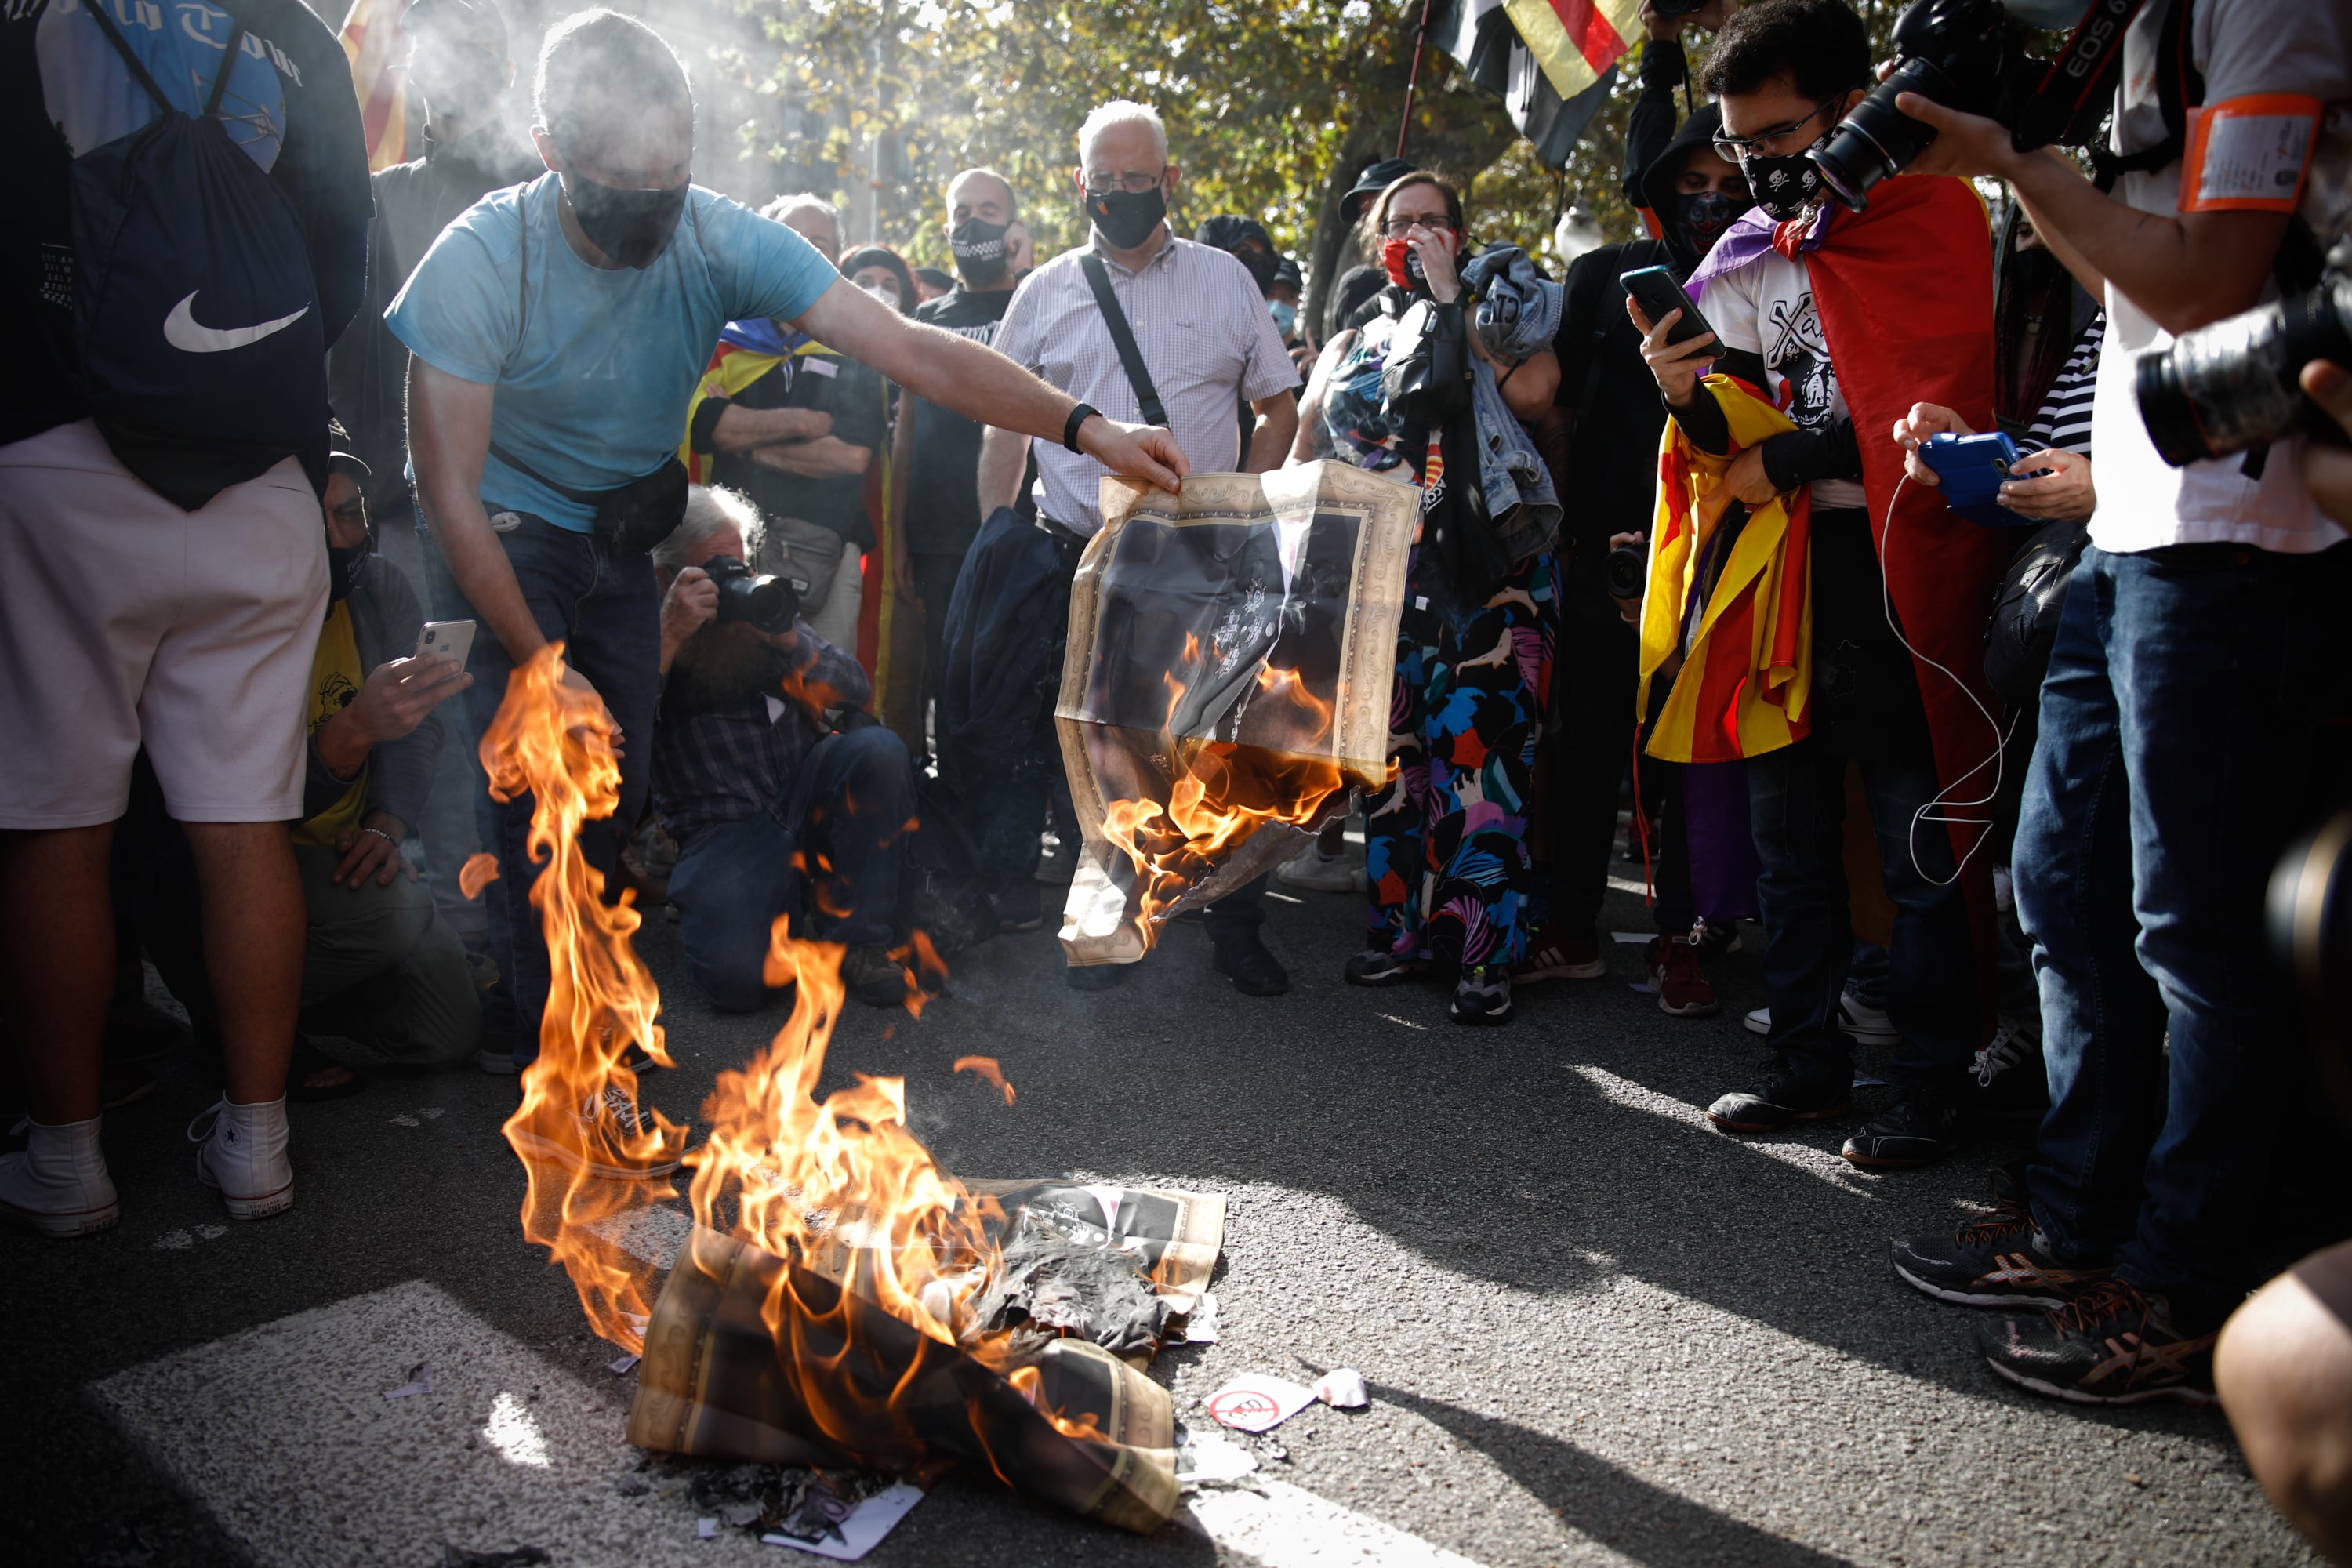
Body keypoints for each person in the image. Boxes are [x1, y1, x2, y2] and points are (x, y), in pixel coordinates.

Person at [393, 13, 1183, 1133]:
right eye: (621, 183)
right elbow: (449, 496)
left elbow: (913, 349)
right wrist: (536, 664)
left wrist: (1085, 426)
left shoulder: (717, 239)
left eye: (670, 179)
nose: (651, 208)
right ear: (549, 147)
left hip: (623, 535)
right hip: (504, 532)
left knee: (605, 798)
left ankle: (592, 1019)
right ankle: (557, 1067)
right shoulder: (478, 258)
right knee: (540, 789)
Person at [1879, 0, 2352, 1406]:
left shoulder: (2268, 7)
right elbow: (2133, 296)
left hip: (2249, 544)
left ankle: (2192, 1292)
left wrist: (2023, 163)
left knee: (2199, 942)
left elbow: (2212, 282)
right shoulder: (2142, 30)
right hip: (2130, 529)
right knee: (2061, 887)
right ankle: (2080, 1218)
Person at [0, 0, 369, 1236]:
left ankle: (67, 1164)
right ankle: (257, 1149)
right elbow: (338, 267)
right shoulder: (297, 34)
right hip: (261, 476)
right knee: (243, 822)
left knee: (57, 821)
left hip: (57, 449)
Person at [1629, 0, 2007, 1157]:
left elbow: (1940, 412)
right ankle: (1807, 1066)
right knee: (1789, 835)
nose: (1760, 170)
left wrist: (1788, 452)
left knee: (1919, 836)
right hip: (1781, 571)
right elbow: (1725, 443)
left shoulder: (1939, 215)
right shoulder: (1746, 253)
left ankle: (1938, 1081)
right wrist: (1684, 391)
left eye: (1782, 141)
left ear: (1853, 108)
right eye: (1743, 149)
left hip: (1906, 567)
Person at [960, 99, 1299, 993]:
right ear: (1080, 185)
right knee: (1101, 747)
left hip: (1205, 556)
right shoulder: (1044, 291)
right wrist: (998, 531)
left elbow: (1280, 407)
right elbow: (1002, 415)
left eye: (1135, 180)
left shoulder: (1227, 280)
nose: (1117, 195)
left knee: (1219, 743)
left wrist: (1244, 507)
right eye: (1101, 182)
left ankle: (1237, 926)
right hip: (1082, 559)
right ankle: (1109, 919)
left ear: (1168, 182)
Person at [1290, 171, 1563, 1025]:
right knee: (1396, 764)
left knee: (1482, 764)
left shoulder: (1497, 309)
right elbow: (1311, 439)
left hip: (1489, 575)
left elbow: (1536, 393)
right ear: (1379, 243)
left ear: (1460, 231)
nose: (1416, 233)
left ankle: (1485, 955)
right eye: (1400, 223)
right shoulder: (1356, 337)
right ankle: (1400, 934)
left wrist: (1455, 296)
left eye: (1433, 221)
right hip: (1383, 577)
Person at [141, 435, 484, 1096]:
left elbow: (418, 734)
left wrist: (387, 825)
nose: (342, 538)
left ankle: (280, 1008)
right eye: (314, 521)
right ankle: (234, 1026)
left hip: (341, 864)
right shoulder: (222, 612)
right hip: (225, 869)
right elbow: (217, 800)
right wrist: (352, 731)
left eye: (351, 513)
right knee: (396, 914)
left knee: (447, 1033)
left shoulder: (378, 589)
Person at [1541, 0, 1750, 1018]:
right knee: (1584, 749)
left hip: (1721, 552)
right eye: (1690, 185)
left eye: (1727, 184)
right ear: (1660, 190)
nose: (1708, 200)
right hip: (1604, 555)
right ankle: (1568, 928)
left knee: (1686, 759)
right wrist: (1579, 539)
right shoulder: (1599, 279)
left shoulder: (1761, 278)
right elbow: (1565, 416)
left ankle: (1683, 937)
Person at [325, 0, 539, 980]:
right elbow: (345, 351)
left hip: (534, 513)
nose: (453, 69)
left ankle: (547, 942)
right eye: (430, 46)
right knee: (442, 715)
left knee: (532, 717)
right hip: (407, 515)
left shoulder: (547, 198)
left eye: (479, 47)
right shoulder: (374, 199)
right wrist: (352, 476)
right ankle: (468, 944)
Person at [650, 487, 917, 1011]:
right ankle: (765, 910)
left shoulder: (761, 612)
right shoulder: (649, 632)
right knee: (738, 983)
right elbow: (617, 735)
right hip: (724, 831)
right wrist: (669, 638)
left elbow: (854, 688)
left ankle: (859, 940)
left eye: (739, 564)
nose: (733, 581)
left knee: (878, 750)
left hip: (804, 792)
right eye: (715, 569)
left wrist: (791, 644)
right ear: (668, 577)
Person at [687, 194, 887, 656]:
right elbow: (705, 428)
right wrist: (810, 421)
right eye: (792, 239)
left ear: (837, 258)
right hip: (733, 551)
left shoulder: (858, 344)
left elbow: (852, 455)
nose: (806, 253)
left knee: (824, 691)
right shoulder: (722, 339)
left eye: (821, 243)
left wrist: (745, 441)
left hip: (828, 556)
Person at [896, 169, 1036, 768]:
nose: (973, 222)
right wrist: (900, 536)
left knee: (1025, 688)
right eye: (962, 212)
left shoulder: (1043, 302)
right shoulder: (924, 321)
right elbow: (904, 435)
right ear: (945, 226)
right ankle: (956, 841)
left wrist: (1028, 273)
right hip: (940, 543)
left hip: (1028, 536)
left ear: (1014, 225)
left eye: (989, 209)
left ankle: (1023, 841)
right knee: (951, 688)